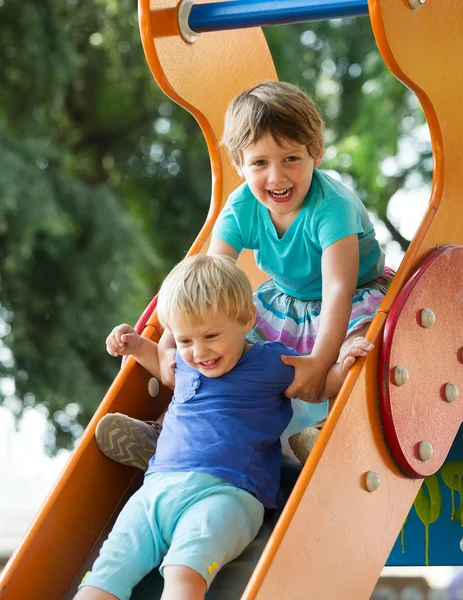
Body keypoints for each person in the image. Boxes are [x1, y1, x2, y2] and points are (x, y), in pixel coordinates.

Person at [96, 80, 391, 467]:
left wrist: (320, 363)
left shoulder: (331, 207)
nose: (276, 177)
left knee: (357, 350)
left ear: (315, 152)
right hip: (286, 302)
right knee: (220, 339)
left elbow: (338, 287)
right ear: (239, 164)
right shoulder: (242, 207)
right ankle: (170, 433)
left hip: (355, 297)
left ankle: (325, 435)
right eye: (260, 163)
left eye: (290, 159)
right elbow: (199, 287)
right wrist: (169, 343)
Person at [76, 255, 371, 600]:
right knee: (106, 571)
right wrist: (137, 345)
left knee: (183, 571)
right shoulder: (186, 364)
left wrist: (345, 366)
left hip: (227, 493)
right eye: (185, 340)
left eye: (211, 335)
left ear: (246, 319)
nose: (199, 351)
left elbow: (315, 383)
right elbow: (164, 365)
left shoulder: (269, 362)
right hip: (156, 489)